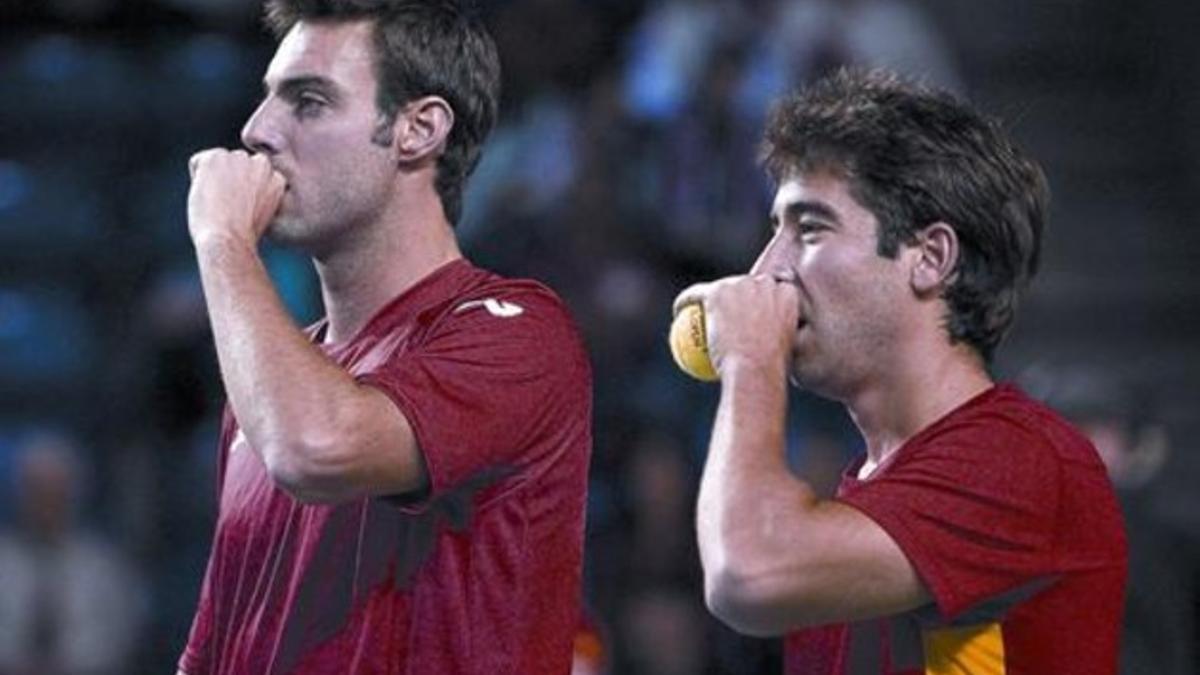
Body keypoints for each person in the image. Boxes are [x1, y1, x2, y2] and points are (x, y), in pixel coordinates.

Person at [177, 1, 592, 673]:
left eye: (308, 102)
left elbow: (317, 447)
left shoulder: (521, 335)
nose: (256, 132)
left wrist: (223, 240)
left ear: (417, 129)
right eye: (266, 101)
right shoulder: (269, 387)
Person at [673, 69, 1127, 674]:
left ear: (931, 259)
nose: (764, 271)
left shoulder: (1022, 459)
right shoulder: (869, 496)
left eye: (809, 229)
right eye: (772, 232)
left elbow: (749, 574)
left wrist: (751, 359)